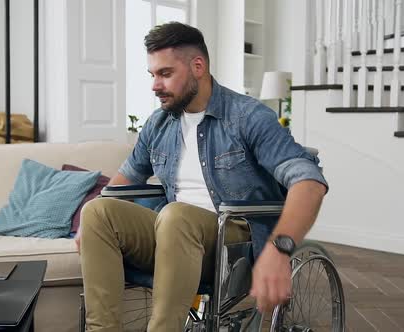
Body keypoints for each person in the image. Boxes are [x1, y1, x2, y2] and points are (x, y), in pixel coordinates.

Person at [75, 22, 328, 331]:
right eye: (152, 75)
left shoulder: (248, 117)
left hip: (233, 246)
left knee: (176, 215)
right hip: (171, 235)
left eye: (165, 74)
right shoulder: (159, 124)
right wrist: (88, 226)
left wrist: (279, 249)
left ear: (197, 67)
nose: (155, 85)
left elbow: (309, 183)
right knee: (98, 211)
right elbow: (123, 181)